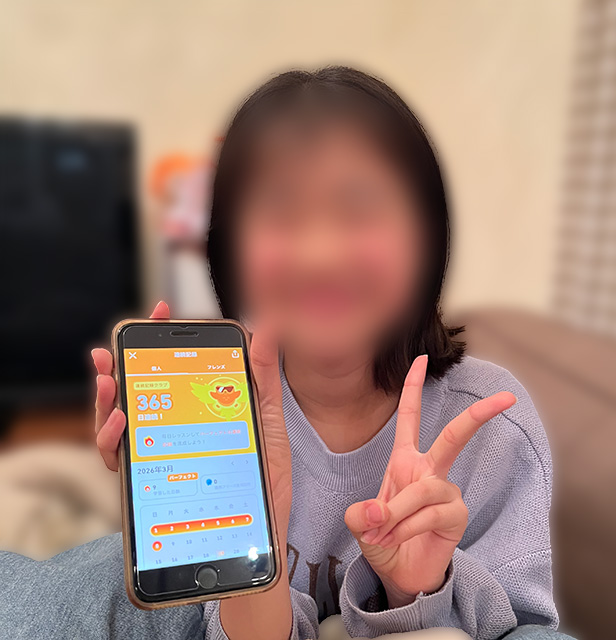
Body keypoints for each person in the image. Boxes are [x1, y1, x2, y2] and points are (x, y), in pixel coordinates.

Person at [0, 67, 576, 640]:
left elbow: (525, 626)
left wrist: (417, 591)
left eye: (359, 209)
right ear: (228, 249)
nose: (320, 254)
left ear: (426, 236)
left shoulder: (490, 428)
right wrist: (192, 514)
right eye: (280, 214)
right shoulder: (211, 404)